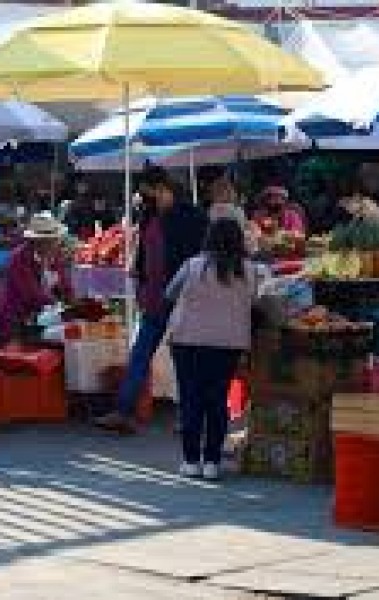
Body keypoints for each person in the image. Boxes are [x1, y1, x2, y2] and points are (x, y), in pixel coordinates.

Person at [95, 166, 207, 434]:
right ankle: (123, 411)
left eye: (152, 195)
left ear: (164, 189)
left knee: (184, 359)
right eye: (145, 197)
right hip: (154, 298)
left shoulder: (190, 216)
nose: (148, 201)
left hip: (182, 297)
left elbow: (197, 257)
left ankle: (189, 416)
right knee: (140, 354)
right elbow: (145, 249)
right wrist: (139, 269)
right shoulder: (149, 215)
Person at [166, 218, 263, 480]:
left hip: (188, 340)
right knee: (217, 401)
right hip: (228, 344)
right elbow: (254, 301)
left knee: (190, 400)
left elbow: (170, 293)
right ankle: (212, 462)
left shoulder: (193, 266)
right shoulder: (249, 270)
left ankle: (190, 460)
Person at [0, 212, 73, 345]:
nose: (53, 243)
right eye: (48, 240)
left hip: (42, 319)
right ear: (36, 241)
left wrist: (73, 305)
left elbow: (65, 286)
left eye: (54, 239)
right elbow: (31, 294)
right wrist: (59, 306)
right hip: (15, 321)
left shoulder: (54, 258)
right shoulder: (18, 259)